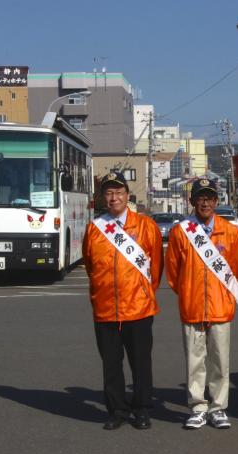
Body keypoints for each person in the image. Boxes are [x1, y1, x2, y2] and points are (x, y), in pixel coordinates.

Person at [82, 171, 163, 430]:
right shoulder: (94, 229)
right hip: (106, 308)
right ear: (103, 197)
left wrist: (142, 292)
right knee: (111, 364)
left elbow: (156, 269)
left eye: (118, 192)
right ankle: (116, 409)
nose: (113, 197)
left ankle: (142, 409)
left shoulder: (146, 226)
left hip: (138, 307)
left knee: (141, 363)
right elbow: (90, 265)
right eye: (108, 192)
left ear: (127, 195)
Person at [166, 178, 238, 430]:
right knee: (195, 360)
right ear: (192, 201)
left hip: (221, 307)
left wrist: (225, 297)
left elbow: (236, 269)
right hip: (192, 305)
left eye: (210, 197)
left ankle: (218, 407)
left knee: (220, 361)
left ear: (217, 201)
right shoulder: (181, 231)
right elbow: (174, 272)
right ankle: (198, 406)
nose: (205, 202)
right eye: (200, 197)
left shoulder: (230, 231)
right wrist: (189, 292)